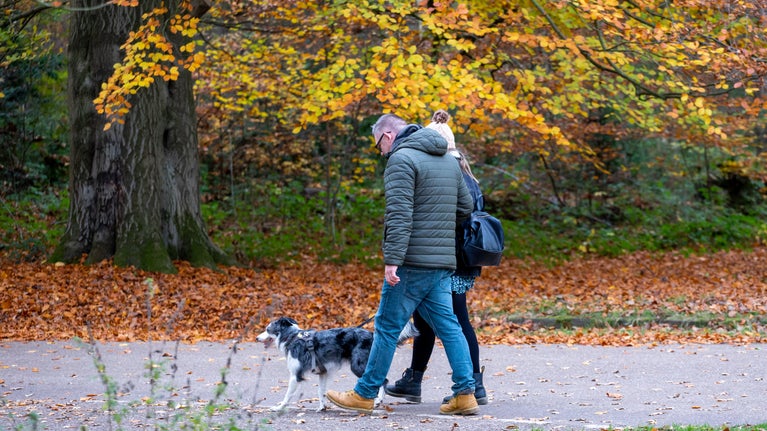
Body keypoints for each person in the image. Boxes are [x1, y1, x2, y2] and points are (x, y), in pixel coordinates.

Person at [325, 113, 480, 416]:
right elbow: (466, 206)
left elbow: (399, 215)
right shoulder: (449, 161)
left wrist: (392, 260)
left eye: (377, 146)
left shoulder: (401, 160)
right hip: (442, 261)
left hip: (411, 261)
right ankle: (465, 393)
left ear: (388, 135)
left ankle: (365, 393)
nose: (381, 152)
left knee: (385, 326)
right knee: (449, 326)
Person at [384, 110, 488, 405]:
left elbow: (457, 217)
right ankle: (413, 380)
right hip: (449, 258)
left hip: (450, 261)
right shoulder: (462, 173)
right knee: (425, 320)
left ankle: (474, 385)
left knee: (455, 321)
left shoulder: (452, 173)